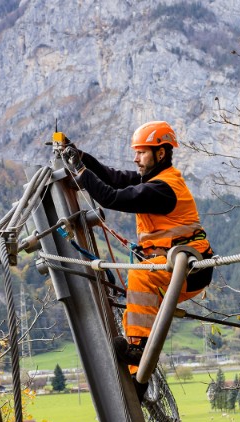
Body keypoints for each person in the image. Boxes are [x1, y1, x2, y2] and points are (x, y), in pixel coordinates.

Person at [62, 121, 213, 369]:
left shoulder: (162, 189)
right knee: (134, 311)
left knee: (141, 276)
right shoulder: (155, 179)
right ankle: (136, 374)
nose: (136, 158)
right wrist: (82, 157)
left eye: (141, 152)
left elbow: (111, 197)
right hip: (177, 265)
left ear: (160, 153)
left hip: (189, 267)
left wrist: (81, 172)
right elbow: (113, 178)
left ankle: (139, 350)